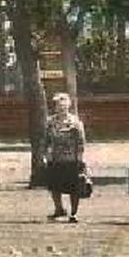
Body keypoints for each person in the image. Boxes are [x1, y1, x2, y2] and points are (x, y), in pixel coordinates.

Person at [42, 91, 86, 222]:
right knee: (55, 186)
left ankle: (74, 213)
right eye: (58, 105)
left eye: (63, 105)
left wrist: (80, 157)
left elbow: (81, 141)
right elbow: (46, 140)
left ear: (68, 106)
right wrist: (46, 155)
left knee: (74, 187)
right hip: (55, 158)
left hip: (72, 158)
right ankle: (59, 209)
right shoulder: (50, 122)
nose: (61, 108)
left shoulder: (75, 122)